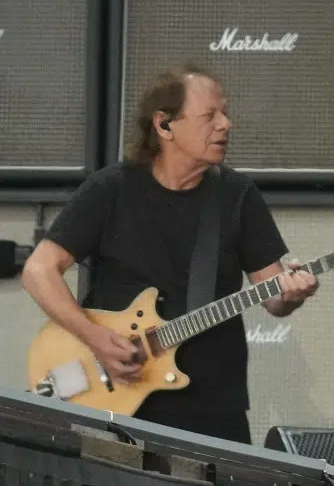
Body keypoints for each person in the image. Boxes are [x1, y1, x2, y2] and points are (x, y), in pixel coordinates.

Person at [19, 66, 318, 442]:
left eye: (226, 113)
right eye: (210, 115)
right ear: (164, 125)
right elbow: (38, 270)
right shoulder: (110, 189)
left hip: (211, 403)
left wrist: (292, 292)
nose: (225, 125)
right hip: (117, 395)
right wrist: (94, 337)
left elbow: (273, 297)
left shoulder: (237, 195)